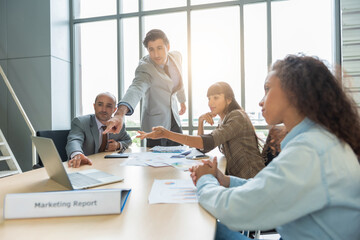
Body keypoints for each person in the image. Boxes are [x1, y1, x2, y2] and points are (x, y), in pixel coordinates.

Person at [189, 55, 360, 239]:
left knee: (200, 231)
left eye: (267, 89)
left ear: (294, 92)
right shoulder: (317, 140)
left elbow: (235, 210)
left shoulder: (310, 151)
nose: (261, 101)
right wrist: (225, 181)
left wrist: (205, 181)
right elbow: (267, 187)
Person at [138, 82, 265, 179]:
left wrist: (167, 134)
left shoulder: (236, 116)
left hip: (251, 177)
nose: (210, 102)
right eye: (209, 98)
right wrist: (200, 122)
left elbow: (207, 142)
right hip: (238, 177)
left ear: (229, 99)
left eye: (216, 97)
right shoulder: (223, 120)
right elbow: (202, 149)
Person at [104, 29, 186, 147]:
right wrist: (120, 113)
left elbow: (179, 79)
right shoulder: (145, 68)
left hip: (174, 119)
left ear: (168, 46)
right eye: (151, 49)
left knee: (179, 156)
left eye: (159, 48)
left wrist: (182, 100)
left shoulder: (177, 57)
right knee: (156, 160)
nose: (156, 54)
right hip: (155, 123)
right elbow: (136, 88)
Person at [66, 92, 132, 168]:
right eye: (100, 104)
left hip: (109, 166)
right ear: (94, 106)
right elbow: (74, 140)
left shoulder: (117, 125)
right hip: (85, 165)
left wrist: (118, 145)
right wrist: (77, 154)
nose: (104, 109)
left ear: (114, 109)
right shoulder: (81, 122)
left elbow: (128, 140)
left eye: (108, 106)